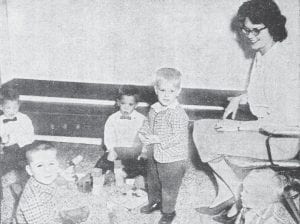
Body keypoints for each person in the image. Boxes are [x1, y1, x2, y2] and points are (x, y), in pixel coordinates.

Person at [194, 0, 299, 221]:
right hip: (265, 131)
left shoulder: (283, 64)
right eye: (246, 29)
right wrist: (241, 98)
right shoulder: (263, 55)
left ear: (273, 26)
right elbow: (266, 93)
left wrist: (238, 126)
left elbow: (284, 119)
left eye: (256, 30)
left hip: (279, 140)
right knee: (201, 128)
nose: (249, 35)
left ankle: (235, 192)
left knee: (208, 138)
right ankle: (230, 192)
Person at [139, 68, 189, 224]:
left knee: (169, 186)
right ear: (156, 90)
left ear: (178, 91)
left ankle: (168, 212)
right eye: (162, 90)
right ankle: (155, 201)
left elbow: (178, 136)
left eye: (171, 91)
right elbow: (148, 123)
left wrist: (158, 139)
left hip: (173, 159)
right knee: (152, 181)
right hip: (154, 153)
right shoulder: (154, 108)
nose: (166, 95)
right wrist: (143, 133)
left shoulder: (178, 113)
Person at [95, 86, 146, 179]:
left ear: (136, 105)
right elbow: (109, 136)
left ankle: (125, 173)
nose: (126, 107)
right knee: (102, 163)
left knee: (143, 166)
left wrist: (143, 151)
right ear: (118, 102)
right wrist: (111, 149)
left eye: (130, 104)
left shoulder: (141, 119)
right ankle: (109, 172)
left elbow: (145, 137)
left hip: (133, 153)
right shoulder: (112, 118)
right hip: (116, 152)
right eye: (123, 104)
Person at [0, 87, 35, 223]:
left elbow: (31, 137)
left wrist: (15, 139)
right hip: (6, 150)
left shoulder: (24, 119)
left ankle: (27, 195)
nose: (12, 111)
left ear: (19, 106)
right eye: (8, 108)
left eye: (15, 107)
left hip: (22, 148)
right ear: (1, 107)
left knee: (26, 171)